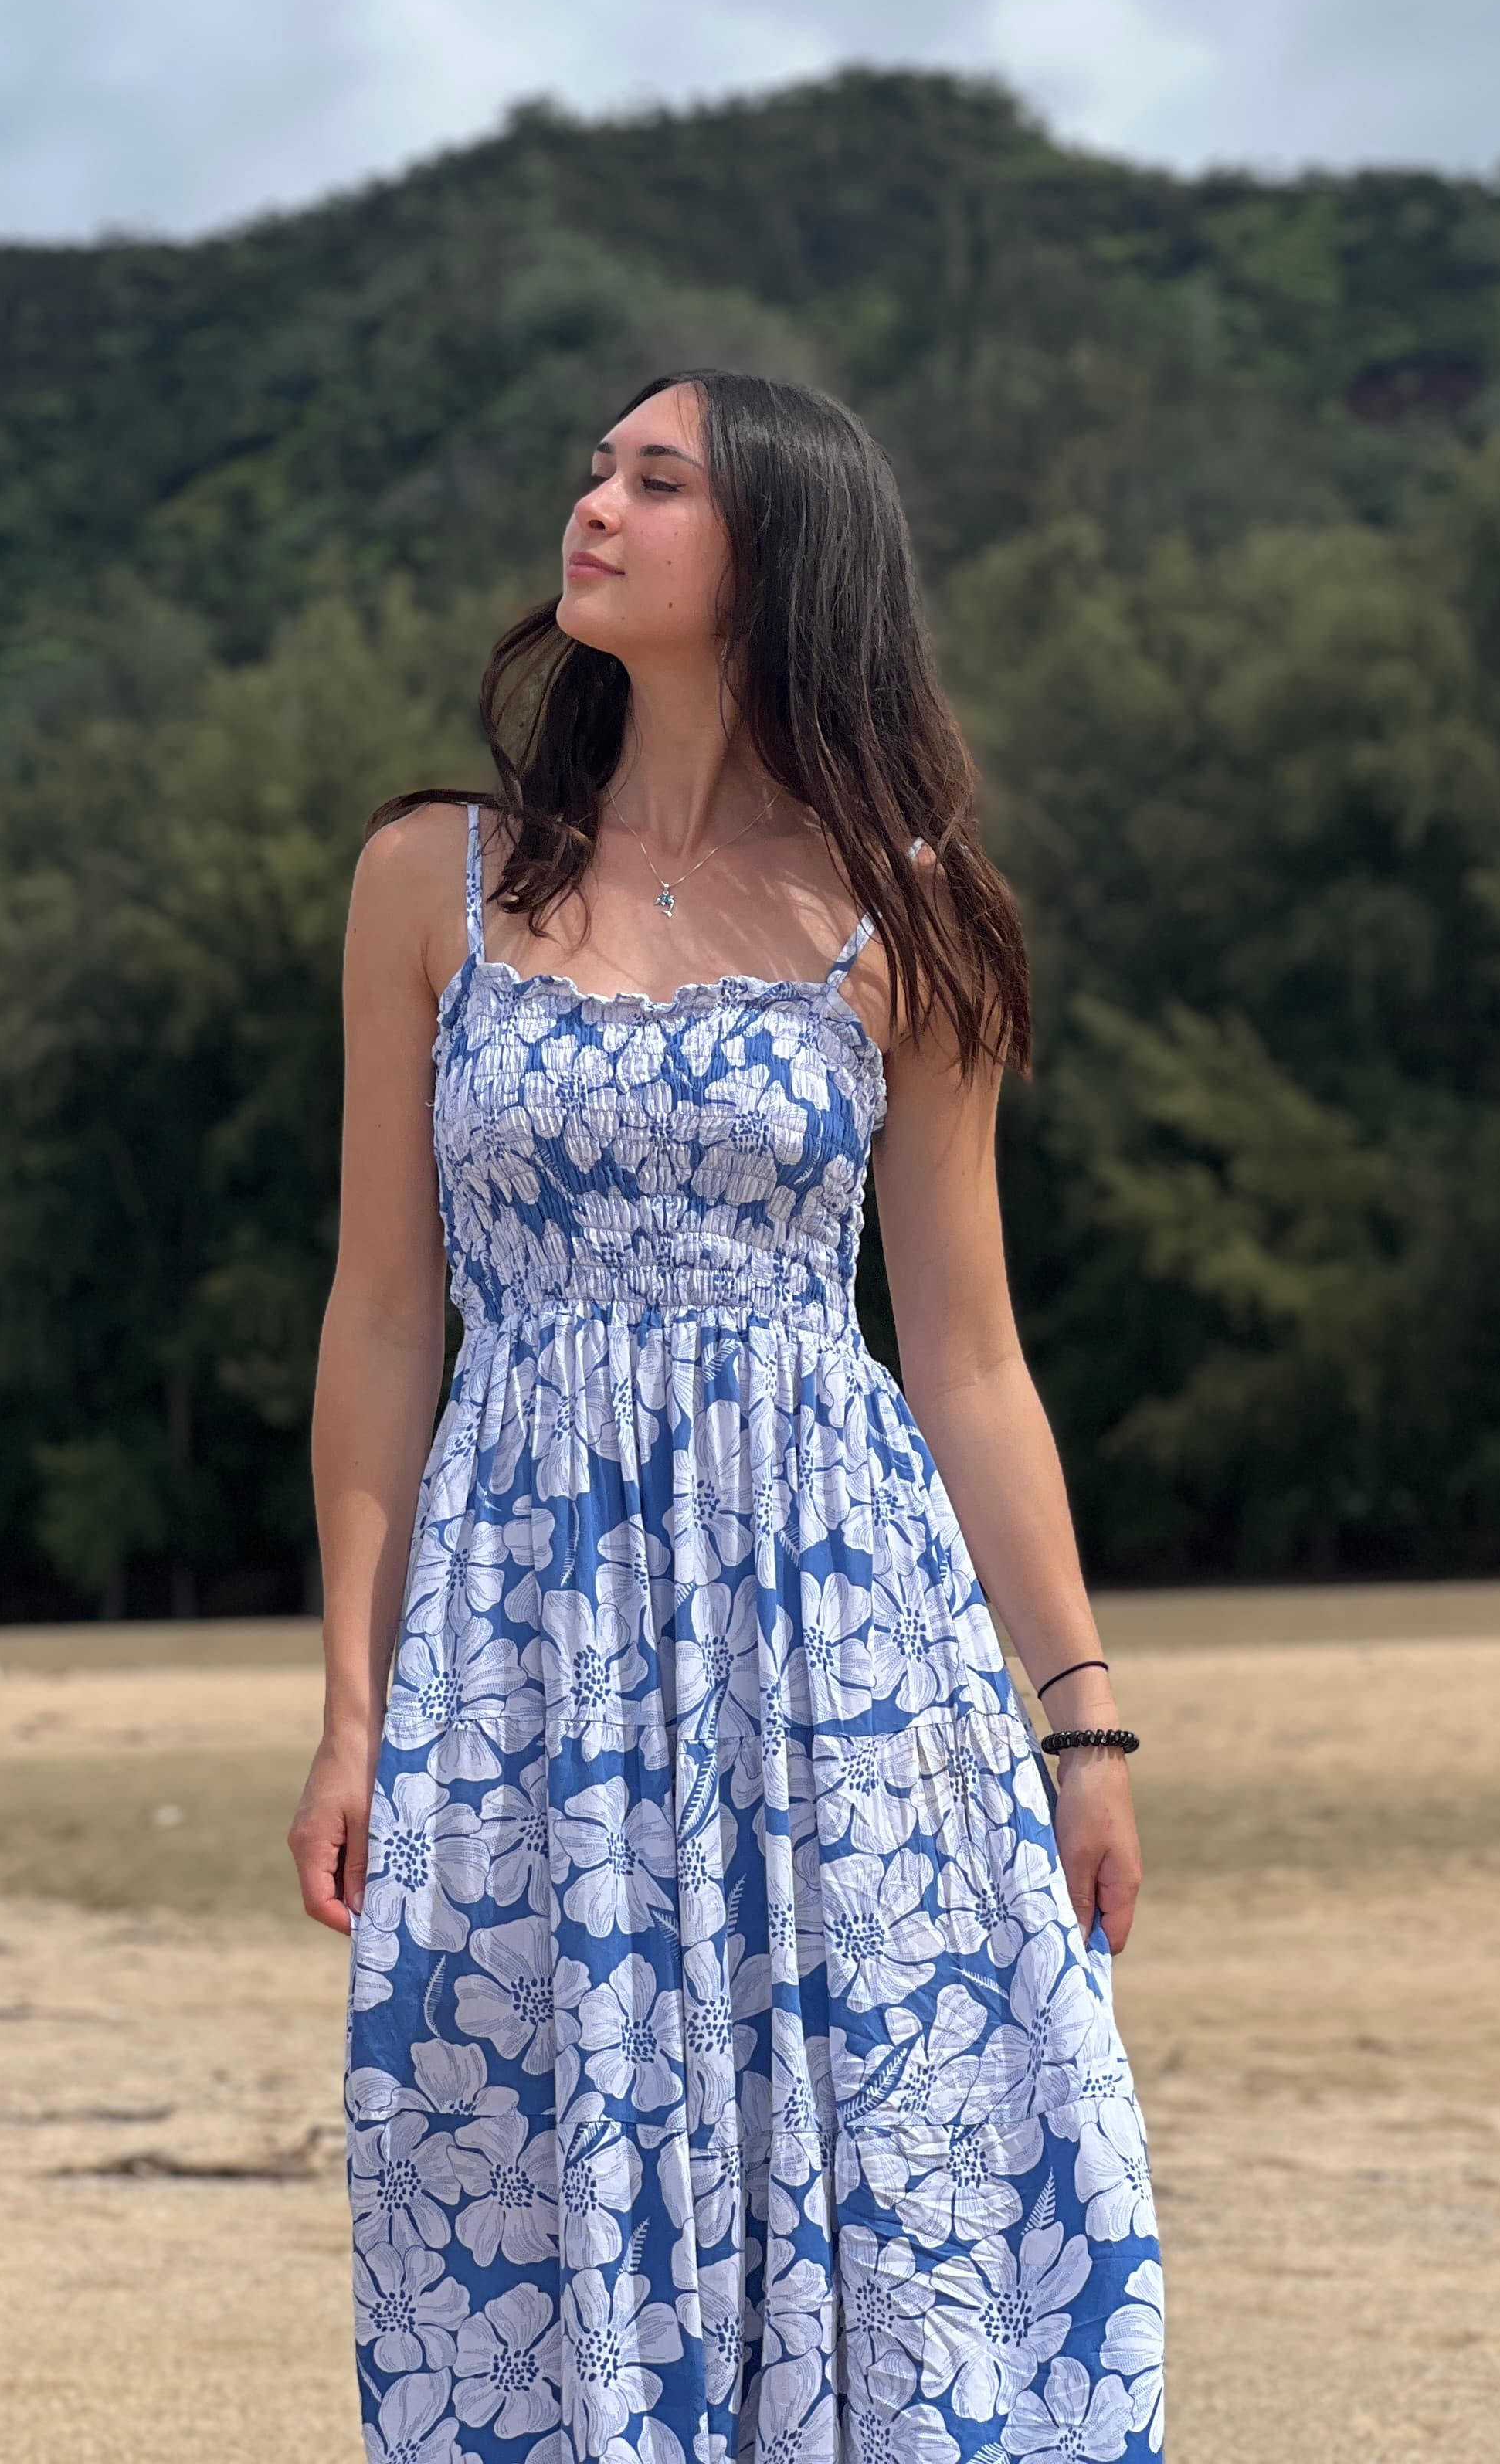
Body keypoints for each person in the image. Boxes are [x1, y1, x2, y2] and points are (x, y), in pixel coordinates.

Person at [288, 368, 1165, 2462]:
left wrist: (1085, 1715)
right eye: (597, 468)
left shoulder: (915, 911)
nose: (594, 503)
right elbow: (385, 1316)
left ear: (775, 554)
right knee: (515, 2172)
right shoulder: (434, 880)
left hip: (840, 1637)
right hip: (525, 1642)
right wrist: (348, 1703)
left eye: (654, 481)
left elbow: (966, 1350)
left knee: (903, 2159)